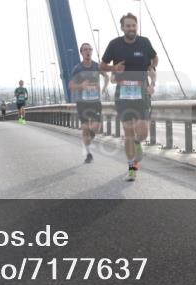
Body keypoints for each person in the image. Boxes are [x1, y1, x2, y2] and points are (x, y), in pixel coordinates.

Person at [101, 13, 158, 181]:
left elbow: (155, 59)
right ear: (122, 27)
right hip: (123, 94)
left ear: (136, 26)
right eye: (128, 26)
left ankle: (138, 143)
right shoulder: (114, 44)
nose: (131, 28)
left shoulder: (144, 42)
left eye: (133, 25)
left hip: (142, 92)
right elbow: (102, 65)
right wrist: (113, 68)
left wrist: (152, 71)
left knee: (142, 133)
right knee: (128, 133)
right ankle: (132, 166)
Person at [68, 42, 107, 163]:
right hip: (82, 103)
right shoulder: (77, 68)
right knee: (85, 128)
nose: (88, 51)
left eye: (90, 49)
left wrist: (104, 88)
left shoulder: (97, 66)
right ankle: (88, 153)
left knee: (95, 128)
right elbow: (70, 85)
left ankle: (90, 137)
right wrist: (81, 85)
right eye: (85, 49)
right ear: (81, 52)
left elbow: (107, 77)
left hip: (95, 102)